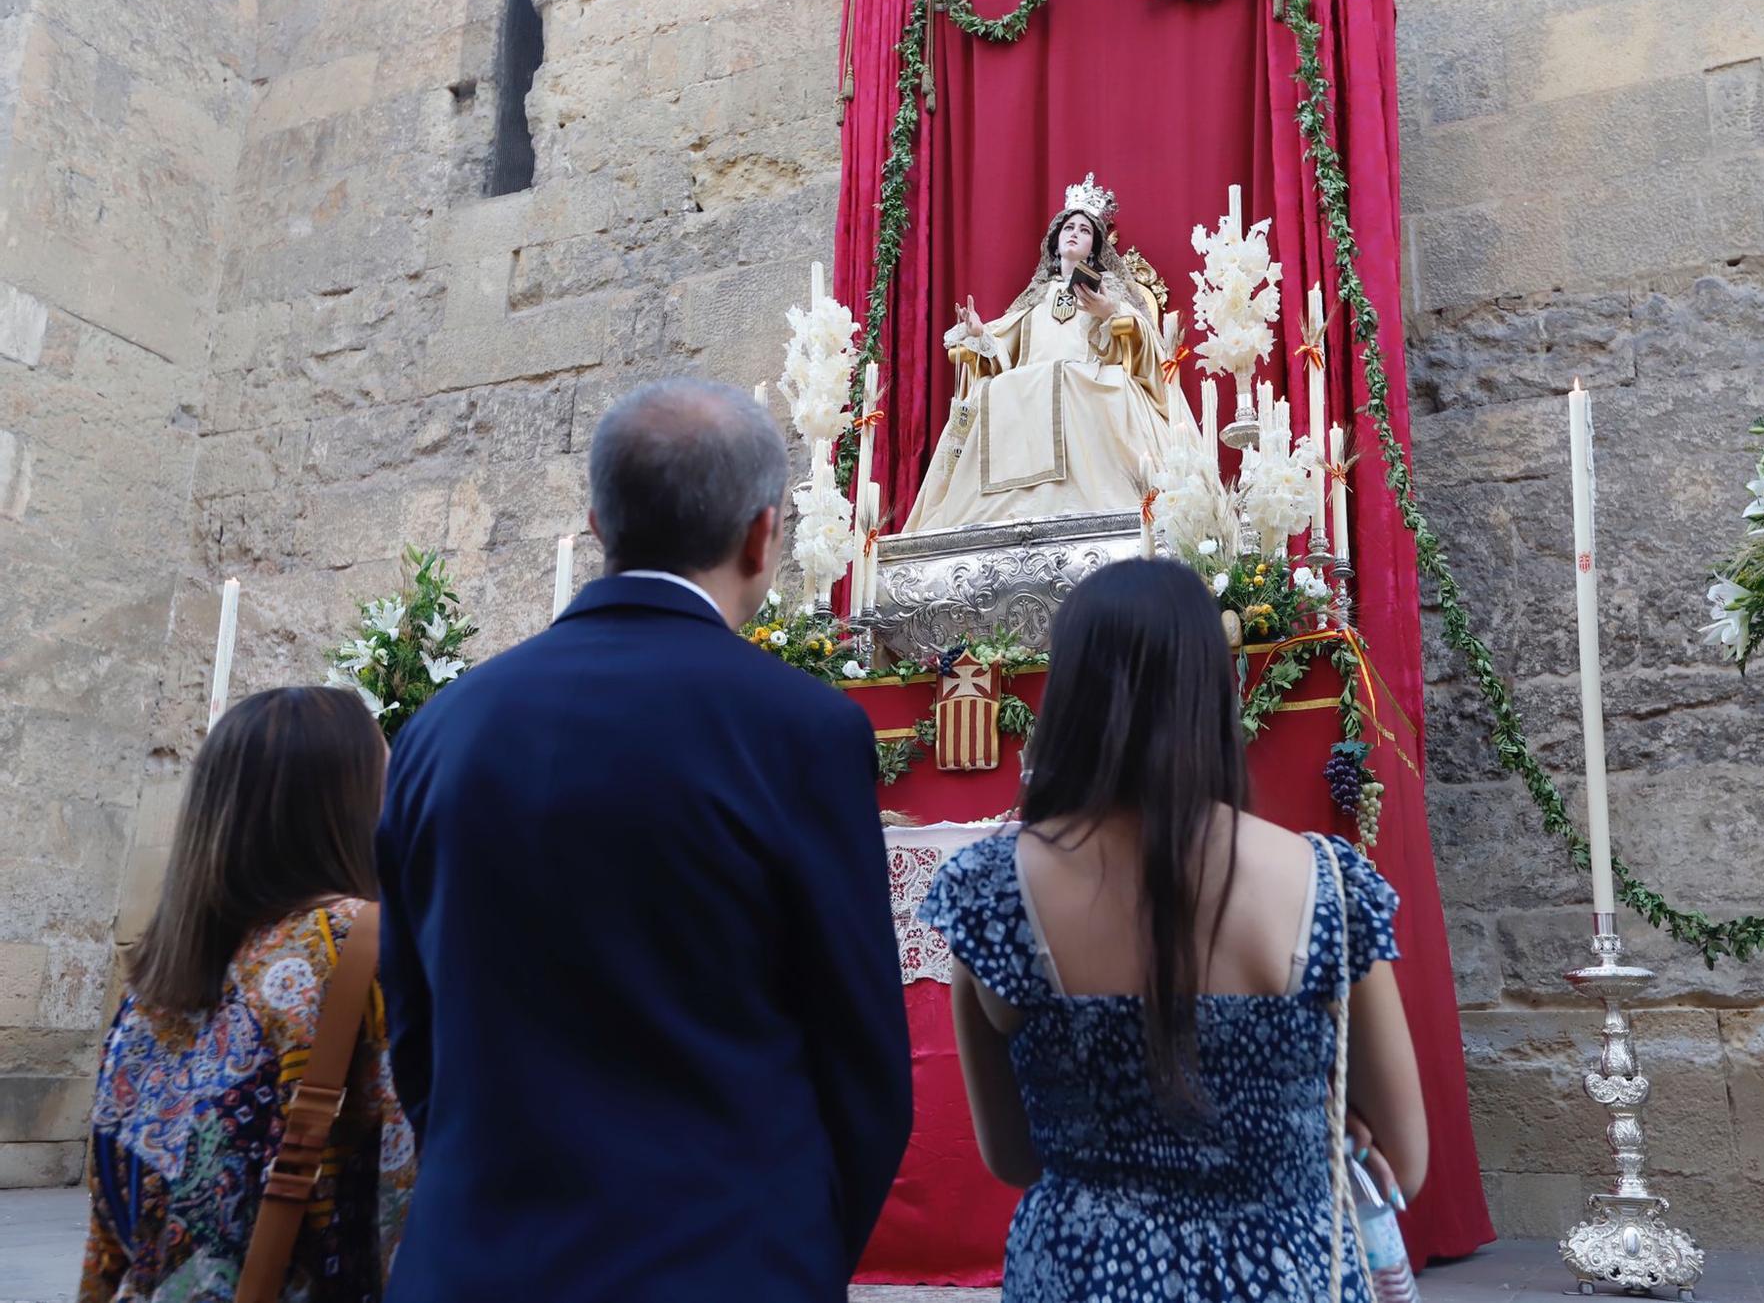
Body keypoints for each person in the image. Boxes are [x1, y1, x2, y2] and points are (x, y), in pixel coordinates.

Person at [374, 377, 912, 1302]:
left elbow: (415, 1037)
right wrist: (792, 1252)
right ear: (761, 534)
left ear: (596, 523)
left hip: (473, 1263)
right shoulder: (801, 731)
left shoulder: (439, 729)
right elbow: (862, 1068)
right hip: (722, 1262)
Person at [920, 558, 1428, 1302]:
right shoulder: (1327, 883)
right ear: (1213, 691)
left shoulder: (991, 891)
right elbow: (1405, 1162)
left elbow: (1013, 1156)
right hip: (1283, 1272)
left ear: (1066, 695)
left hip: (1084, 1272)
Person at [79, 687, 413, 1303]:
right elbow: (405, 1192)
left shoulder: (155, 982)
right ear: (346, 809)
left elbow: (110, 1220)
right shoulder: (360, 949)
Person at [902, 173, 1199, 532]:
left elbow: (1143, 345)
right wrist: (981, 334)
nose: (1075, 233)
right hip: (1038, 382)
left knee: (1071, 379)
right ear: (1055, 241)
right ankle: (1003, 513)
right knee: (995, 390)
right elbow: (1006, 351)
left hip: (1087, 380)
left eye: (1085, 230)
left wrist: (1108, 312)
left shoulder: (1110, 293)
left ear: (1096, 247)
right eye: (1068, 227)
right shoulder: (1037, 298)